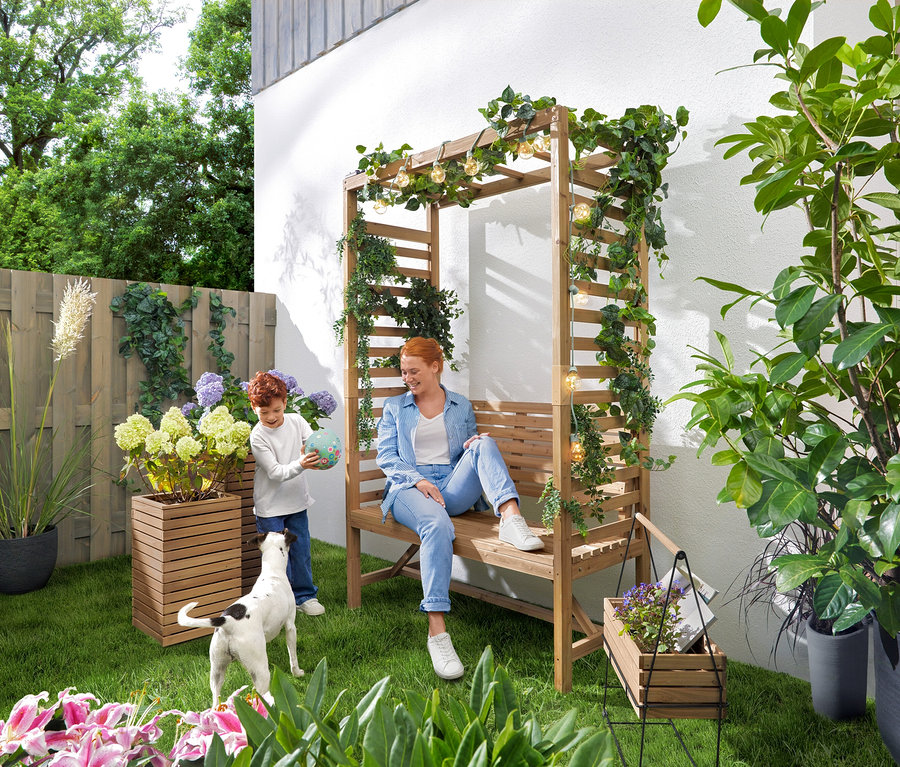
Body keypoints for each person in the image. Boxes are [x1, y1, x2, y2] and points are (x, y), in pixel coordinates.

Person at [376, 336, 543, 680]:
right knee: (436, 526)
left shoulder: (461, 406)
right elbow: (387, 457)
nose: (407, 378)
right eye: (403, 372)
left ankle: (511, 519)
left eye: (414, 371)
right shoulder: (395, 409)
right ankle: (437, 632)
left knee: (484, 443)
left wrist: (471, 447)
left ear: (435, 366)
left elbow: (468, 448)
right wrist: (417, 480)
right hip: (410, 488)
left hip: (450, 487)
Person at [247, 371, 325, 616]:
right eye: (264, 412)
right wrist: (302, 463)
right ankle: (280, 602)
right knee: (275, 558)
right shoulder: (258, 436)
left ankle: (304, 596)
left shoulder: (297, 421)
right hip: (270, 506)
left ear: (286, 403)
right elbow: (275, 472)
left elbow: (315, 443)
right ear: (253, 408)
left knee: (300, 552)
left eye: (277, 410)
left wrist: (323, 455)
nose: (271, 417)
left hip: (296, 502)